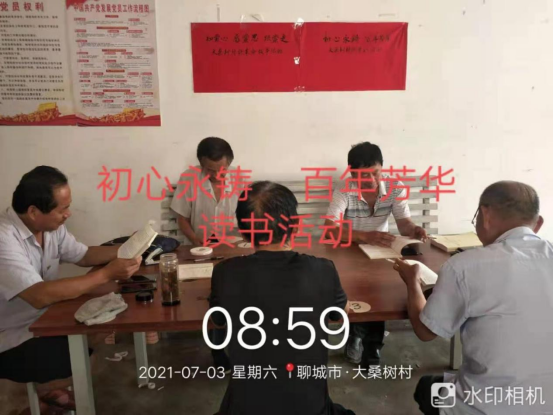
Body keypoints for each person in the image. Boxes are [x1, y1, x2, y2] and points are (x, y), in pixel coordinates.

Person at [394, 181, 552, 415]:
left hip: (484, 407)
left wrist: (412, 283)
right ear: (538, 224)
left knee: (427, 388)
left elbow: (425, 332)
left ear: (485, 215)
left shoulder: (465, 266)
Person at [0, 166, 141, 414]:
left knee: (105, 316)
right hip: (11, 337)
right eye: (62, 209)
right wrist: (106, 273)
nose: (68, 214)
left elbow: (83, 255)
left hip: (44, 319)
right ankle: (29, 401)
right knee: (76, 358)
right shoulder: (4, 238)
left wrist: (132, 247)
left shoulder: (50, 228)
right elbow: (38, 295)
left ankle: (48, 392)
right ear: (33, 211)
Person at [209, 181, 354, 415]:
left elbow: (218, 321)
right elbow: (339, 316)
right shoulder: (323, 270)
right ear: (295, 225)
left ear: (243, 230)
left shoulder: (224, 272)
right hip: (310, 409)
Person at [324, 142, 427, 367]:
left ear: (382, 168)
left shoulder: (394, 187)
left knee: (380, 290)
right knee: (356, 287)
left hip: (380, 250)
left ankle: (372, 343)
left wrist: (414, 230)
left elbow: (404, 224)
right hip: (349, 250)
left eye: (375, 173)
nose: (371, 180)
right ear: (352, 174)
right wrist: (363, 236)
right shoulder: (344, 190)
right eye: (363, 175)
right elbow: (330, 229)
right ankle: (356, 336)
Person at [171, 136, 239, 246]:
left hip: (231, 244)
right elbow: (182, 218)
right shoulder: (189, 178)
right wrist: (194, 239)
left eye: (222, 170)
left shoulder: (238, 178)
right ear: (201, 165)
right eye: (210, 170)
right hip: (198, 244)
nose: (216, 176)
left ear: (228, 164)